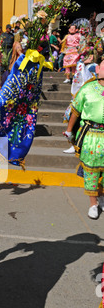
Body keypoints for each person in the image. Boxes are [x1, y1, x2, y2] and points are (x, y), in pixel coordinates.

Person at [63, 60, 104, 219]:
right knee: (91, 171)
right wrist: (69, 131)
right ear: (97, 69)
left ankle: (101, 197)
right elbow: (75, 111)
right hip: (91, 135)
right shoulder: (87, 89)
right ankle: (93, 203)